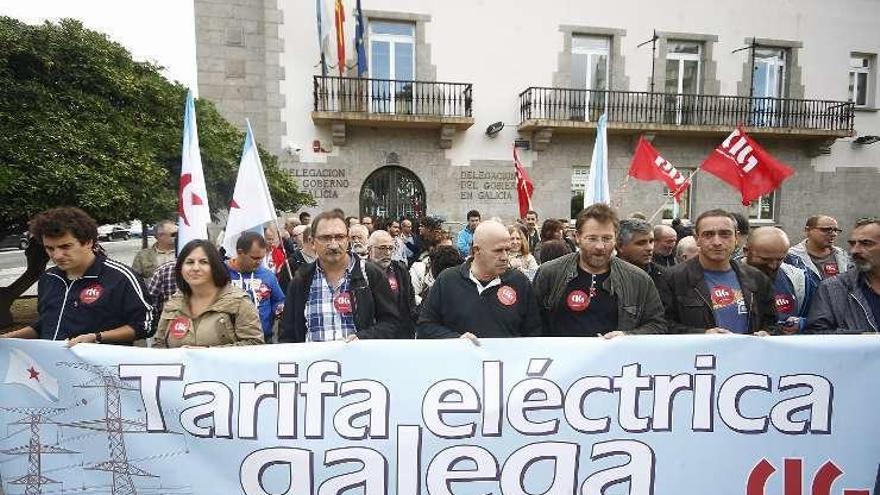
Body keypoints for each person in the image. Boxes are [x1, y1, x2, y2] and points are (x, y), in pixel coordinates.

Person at [1, 207, 152, 345]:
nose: (57, 255)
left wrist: (97, 337)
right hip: (50, 369)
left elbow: (146, 326)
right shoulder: (49, 278)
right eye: (50, 248)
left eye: (65, 246)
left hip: (99, 370)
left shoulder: (120, 277)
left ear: (88, 242)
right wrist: (8, 339)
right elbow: (46, 323)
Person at [533, 204, 666, 337]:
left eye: (607, 239)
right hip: (561, 356)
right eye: (592, 238)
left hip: (616, 356)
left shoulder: (638, 279)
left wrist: (628, 336)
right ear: (577, 237)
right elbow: (532, 322)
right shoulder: (550, 273)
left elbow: (657, 325)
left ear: (616, 237)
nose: (600, 246)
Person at [280, 210, 400, 342]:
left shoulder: (370, 274)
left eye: (339, 237)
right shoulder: (301, 280)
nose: (333, 244)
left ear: (348, 240)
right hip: (315, 363)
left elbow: (391, 323)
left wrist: (364, 338)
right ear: (312, 242)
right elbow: (288, 334)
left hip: (360, 360)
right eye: (325, 238)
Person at [658, 209, 778, 335]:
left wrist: (767, 333)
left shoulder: (757, 278)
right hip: (699, 353)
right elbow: (664, 325)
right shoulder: (673, 279)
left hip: (747, 353)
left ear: (736, 237)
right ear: (697, 238)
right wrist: (702, 335)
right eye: (708, 235)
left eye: (725, 234)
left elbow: (772, 323)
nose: (717, 242)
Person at [418, 221, 542, 339]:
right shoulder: (447, 280)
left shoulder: (520, 282)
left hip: (506, 361)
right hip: (461, 360)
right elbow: (425, 327)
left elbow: (534, 332)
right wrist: (455, 339)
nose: (505, 257)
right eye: (498, 251)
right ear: (476, 250)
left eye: (507, 250)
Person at [154, 240, 263, 347]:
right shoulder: (173, 304)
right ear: (180, 268)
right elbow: (159, 346)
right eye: (189, 262)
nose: (195, 268)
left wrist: (205, 354)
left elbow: (254, 345)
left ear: (215, 267)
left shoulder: (239, 302)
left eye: (203, 262)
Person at [806, 218, 880, 333]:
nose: (854, 251)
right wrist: (863, 339)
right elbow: (816, 334)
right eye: (852, 244)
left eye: (866, 243)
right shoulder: (832, 288)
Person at [743, 227, 813, 334]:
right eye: (765, 259)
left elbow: (816, 319)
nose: (773, 266)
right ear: (746, 251)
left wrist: (801, 324)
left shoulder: (799, 279)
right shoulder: (728, 278)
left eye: (780, 259)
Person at [226, 232, 285, 341]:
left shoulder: (268, 275)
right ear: (240, 252)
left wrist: (280, 309)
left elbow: (278, 300)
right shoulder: (221, 273)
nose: (259, 262)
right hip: (230, 342)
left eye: (261, 258)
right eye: (255, 258)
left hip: (263, 340)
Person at [368, 230, 418, 338]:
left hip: (401, 333)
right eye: (382, 248)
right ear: (369, 249)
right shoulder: (362, 272)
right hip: (374, 334)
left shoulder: (400, 270)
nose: (387, 253)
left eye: (390, 248)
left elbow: (410, 302)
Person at [788, 215, 851, 282]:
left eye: (835, 230)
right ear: (808, 230)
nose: (834, 234)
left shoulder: (843, 256)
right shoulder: (791, 257)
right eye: (826, 230)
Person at [409, 216, 447, 304]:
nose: (419, 228)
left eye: (422, 226)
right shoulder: (419, 238)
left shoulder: (436, 239)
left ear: (429, 228)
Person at [616, 218, 664, 288]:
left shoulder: (664, 276)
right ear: (620, 246)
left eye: (651, 241)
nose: (649, 248)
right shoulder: (604, 275)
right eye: (641, 243)